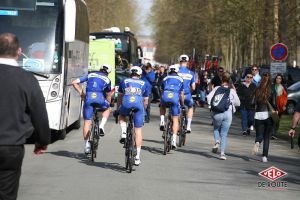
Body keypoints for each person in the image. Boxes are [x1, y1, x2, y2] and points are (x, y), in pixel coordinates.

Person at [0, 33, 51, 200]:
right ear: (19, 51)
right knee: (6, 193)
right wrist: (42, 141)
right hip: (11, 147)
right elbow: (40, 114)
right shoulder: (27, 79)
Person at [72, 64, 112, 154]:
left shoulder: (90, 74)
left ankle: (86, 146)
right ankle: (101, 126)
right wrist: (109, 103)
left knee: (87, 122)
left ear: (100, 69)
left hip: (88, 98)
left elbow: (74, 82)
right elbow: (109, 95)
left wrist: (82, 94)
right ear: (108, 73)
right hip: (100, 99)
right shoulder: (107, 79)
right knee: (107, 108)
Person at [117, 66, 149, 166]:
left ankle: (123, 133)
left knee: (121, 115)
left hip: (126, 104)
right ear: (139, 74)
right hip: (138, 106)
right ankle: (137, 157)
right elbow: (146, 101)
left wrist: (118, 108)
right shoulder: (144, 83)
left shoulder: (124, 81)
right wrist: (143, 111)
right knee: (138, 131)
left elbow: (120, 96)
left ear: (130, 73)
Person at [207, 72, 240, 160]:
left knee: (216, 128)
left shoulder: (217, 88)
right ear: (230, 80)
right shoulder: (232, 90)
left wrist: (211, 106)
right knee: (224, 134)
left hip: (217, 112)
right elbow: (238, 103)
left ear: (222, 79)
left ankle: (217, 141)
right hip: (228, 113)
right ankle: (222, 154)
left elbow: (208, 97)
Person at [159, 65, 185, 149]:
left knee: (162, 106)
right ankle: (174, 140)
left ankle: (162, 121)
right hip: (174, 98)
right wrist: (182, 104)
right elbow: (181, 94)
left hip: (166, 96)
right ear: (177, 72)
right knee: (175, 119)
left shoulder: (165, 78)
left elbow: (161, 90)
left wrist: (161, 100)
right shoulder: (180, 79)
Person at [251, 72, 273, 162]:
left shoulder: (257, 89)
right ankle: (264, 157)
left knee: (259, 134)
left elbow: (252, 103)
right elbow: (274, 103)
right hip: (268, 115)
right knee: (267, 137)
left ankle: (257, 142)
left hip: (258, 114)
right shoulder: (271, 90)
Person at [178, 55, 196, 133]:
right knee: (190, 107)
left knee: (175, 109)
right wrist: (189, 91)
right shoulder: (191, 73)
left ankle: (176, 125)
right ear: (187, 63)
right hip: (187, 95)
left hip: (177, 94)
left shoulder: (176, 71)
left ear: (180, 62)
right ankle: (188, 126)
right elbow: (194, 87)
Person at [271, 73, 288, 139]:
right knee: (273, 120)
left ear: (281, 80)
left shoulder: (283, 88)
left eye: (280, 78)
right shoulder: (272, 86)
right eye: (277, 78)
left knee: (277, 120)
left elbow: (285, 98)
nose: (278, 79)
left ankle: (274, 133)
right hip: (273, 106)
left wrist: (284, 105)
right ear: (275, 79)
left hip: (280, 107)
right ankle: (272, 133)